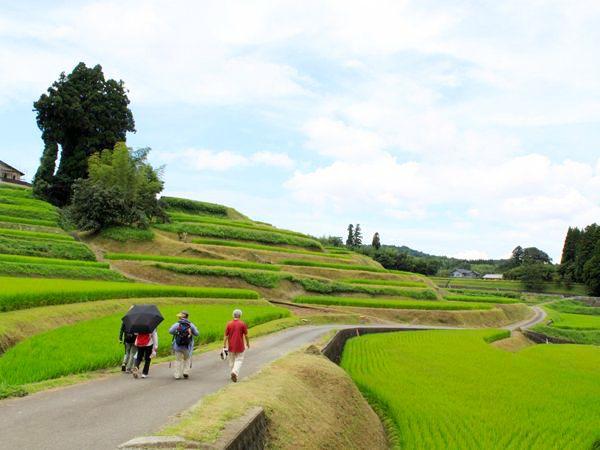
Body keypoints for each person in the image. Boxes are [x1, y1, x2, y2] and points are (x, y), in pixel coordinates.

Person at [168, 311, 199, 379]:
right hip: (187, 346)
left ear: (181, 317)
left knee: (178, 360)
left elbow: (170, 331)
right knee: (187, 359)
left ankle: (177, 375)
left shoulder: (177, 324)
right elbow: (197, 333)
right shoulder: (191, 325)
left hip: (178, 346)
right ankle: (185, 372)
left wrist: (176, 333)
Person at [223, 309, 249, 382]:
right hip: (240, 346)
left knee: (231, 361)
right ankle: (234, 373)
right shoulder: (242, 324)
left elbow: (225, 336)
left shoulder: (229, 324)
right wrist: (247, 343)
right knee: (239, 360)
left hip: (231, 346)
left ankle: (233, 372)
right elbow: (246, 335)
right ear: (240, 315)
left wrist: (224, 345)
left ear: (233, 315)